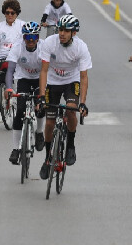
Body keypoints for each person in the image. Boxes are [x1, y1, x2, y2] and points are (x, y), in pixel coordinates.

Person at [37, 15, 91, 179]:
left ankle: (71, 146)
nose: (62, 33)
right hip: (53, 81)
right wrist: (41, 96)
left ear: (74, 33)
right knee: (50, 122)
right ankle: (47, 159)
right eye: (60, 29)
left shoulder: (81, 47)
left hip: (71, 80)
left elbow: (83, 77)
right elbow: (44, 71)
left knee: (71, 110)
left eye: (66, 31)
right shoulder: (49, 43)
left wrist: (82, 103)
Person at [5, 22, 45, 164]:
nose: (30, 40)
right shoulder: (17, 47)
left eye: (33, 36)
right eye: (27, 36)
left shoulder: (44, 47)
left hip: (40, 79)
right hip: (23, 79)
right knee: (20, 110)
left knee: (41, 106)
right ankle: (16, 149)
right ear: (23, 37)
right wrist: (9, 88)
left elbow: (50, 69)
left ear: (38, 37)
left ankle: (39, 132)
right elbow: (10, 70)